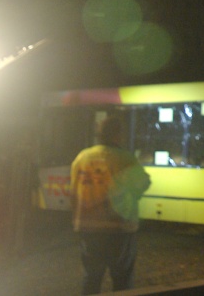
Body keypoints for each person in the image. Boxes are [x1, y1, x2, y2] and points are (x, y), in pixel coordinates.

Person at [70, 114, 151, 294]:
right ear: (118, 134)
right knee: (122, 280)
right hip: (119, 229)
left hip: (88, 228)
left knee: (91, 279)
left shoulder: (82, 158)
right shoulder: (125, 159)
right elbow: (144, 183)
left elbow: (74, 192)